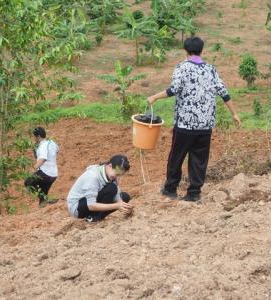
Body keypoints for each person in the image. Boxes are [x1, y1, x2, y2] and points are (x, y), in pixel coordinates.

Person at [147, 36, 241, 202]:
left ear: (186, 50)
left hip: (185, 124)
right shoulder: (211, 69)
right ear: (201, 50)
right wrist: (234, 113)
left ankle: (170, 189)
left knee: (176, 156)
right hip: (205, 125)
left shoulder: (182, 68)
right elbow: (224, 92)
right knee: (199, 160)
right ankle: (194, 193)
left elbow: (174, 89)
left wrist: (154, 97)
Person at [66, 154, 133, 222]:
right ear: (110, 166)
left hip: (93, 199)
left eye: (120, 175)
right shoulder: (93, 176)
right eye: (117, 174)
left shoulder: (112, 175)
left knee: (125, 197)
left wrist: (123, 206)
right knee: (111, 188)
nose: (117, 177)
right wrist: (117, 206)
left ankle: (97, 216)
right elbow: (91, 205)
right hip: (77, 207)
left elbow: (117, 195)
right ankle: (93, 218)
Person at [24, 127, 59, 207]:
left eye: (35, 137)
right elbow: (57, 150)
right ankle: (44, 204)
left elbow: (43, 159)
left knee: (28, 182)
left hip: (45, 173)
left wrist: (33, 168)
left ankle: (45, 198)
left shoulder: (43, 146)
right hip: (54, 174)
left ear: (38, 136)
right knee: (42, 198)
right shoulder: (52, 143)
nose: (34, 139)